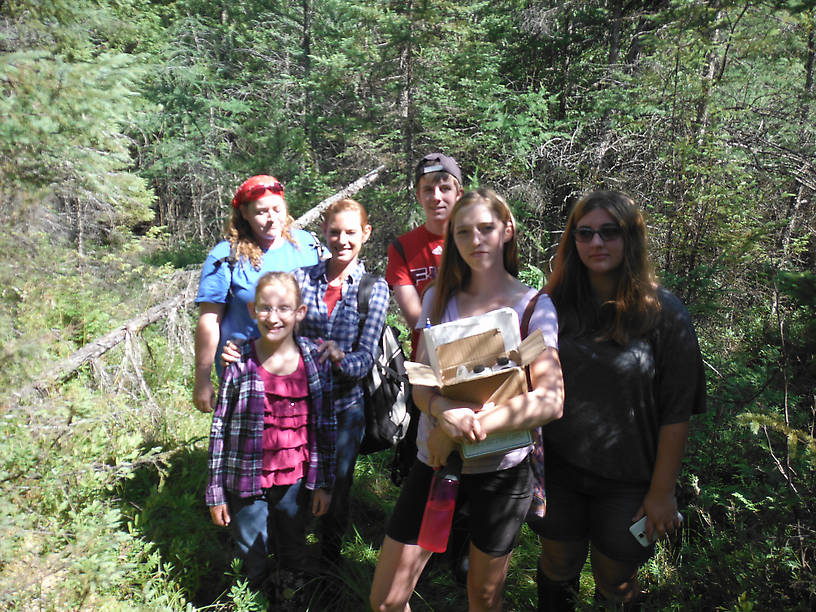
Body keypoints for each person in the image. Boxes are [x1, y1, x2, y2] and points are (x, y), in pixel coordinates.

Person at [370, 188, 565, 612]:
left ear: (507, 230)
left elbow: (551, 400)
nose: (475, 239)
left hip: (502, 473)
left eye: (486, 228)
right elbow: (421, 383)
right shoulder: (437, 300)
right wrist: (443, 413)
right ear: (452, 241)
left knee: (483, 597)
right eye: (463, 232)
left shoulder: (533, 306)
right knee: (386, 600)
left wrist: (467, 429)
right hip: (435, 465)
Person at [529, 191, 706, 610]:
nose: (596, 243)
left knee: (615, 577)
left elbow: (676, 412)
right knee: (558, 562)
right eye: (585, 233)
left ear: (631, 238)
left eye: (610, 232)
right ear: (572, 241)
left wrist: (662, 493)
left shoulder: (665, 314)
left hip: (630, 479)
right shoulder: (551, 307)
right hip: (559, 472)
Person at [224, 198, 389, 568]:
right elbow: (272, 326)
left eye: (350, 232)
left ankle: (329, 566)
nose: (341, 240)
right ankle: (284, 561)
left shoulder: (373, 288)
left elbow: (365, 359)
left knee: (336, 492)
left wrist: (339, 358)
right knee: (292, 486)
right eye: (334, 232)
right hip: (297, 406)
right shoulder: (302, 277)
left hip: (345, 408)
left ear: (365, 234)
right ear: (324, 234)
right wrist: (239, 347)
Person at [205, 271, 336, 605]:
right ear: (252, 311)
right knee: (253, 553)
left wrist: (324, 483)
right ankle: (255, 599)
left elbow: (325, 427)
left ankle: (290, 599)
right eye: (265, 308)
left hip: (295, 478)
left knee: (294, 546)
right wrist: (216, 491)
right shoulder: (240, 362)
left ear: (299, 313)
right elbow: (220, 427)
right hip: (245, 480)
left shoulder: (315, 361)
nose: (274, 317)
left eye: (283, 309)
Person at [193, 175, 322, 413]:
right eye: (261, 212)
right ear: (245, 213)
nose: (272, 219)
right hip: (245, 372)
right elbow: (209, 320)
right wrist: (202, 378)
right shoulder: (226, 256)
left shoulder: (309, 246)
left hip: (300, 371)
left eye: (277, 209)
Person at [386, 152, 464, 358]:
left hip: (477, 351)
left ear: (459, 194)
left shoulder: (477, 241)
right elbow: (415, 319)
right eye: (428, 190)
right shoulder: (402, 248)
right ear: (419, 196)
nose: (436, 197)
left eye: (445, 188)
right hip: (429, 361)